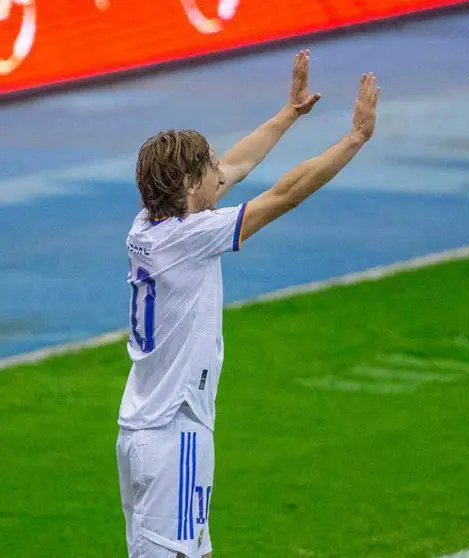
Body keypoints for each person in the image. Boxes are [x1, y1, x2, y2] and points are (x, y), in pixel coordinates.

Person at [116, 50, 380, 558]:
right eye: (209, 168)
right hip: (176, 433)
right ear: (190, 185)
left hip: (140, 430)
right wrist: (354, 138)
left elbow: (235, 164)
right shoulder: (191, 237)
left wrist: (289, 113)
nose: (222, 170)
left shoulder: (146, 227)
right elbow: (285, 194)